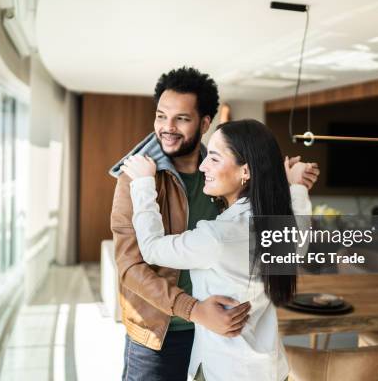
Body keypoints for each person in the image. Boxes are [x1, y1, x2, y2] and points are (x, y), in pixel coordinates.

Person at [110, 67, 319, 381]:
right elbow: (129, 266)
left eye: (181, 118)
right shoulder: (137, 177)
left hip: (219, 339)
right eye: (161, 116)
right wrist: (192, 309)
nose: (167, 128)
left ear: (205, 123)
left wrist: (289, 186)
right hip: (162, 331)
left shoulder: (222, 178)